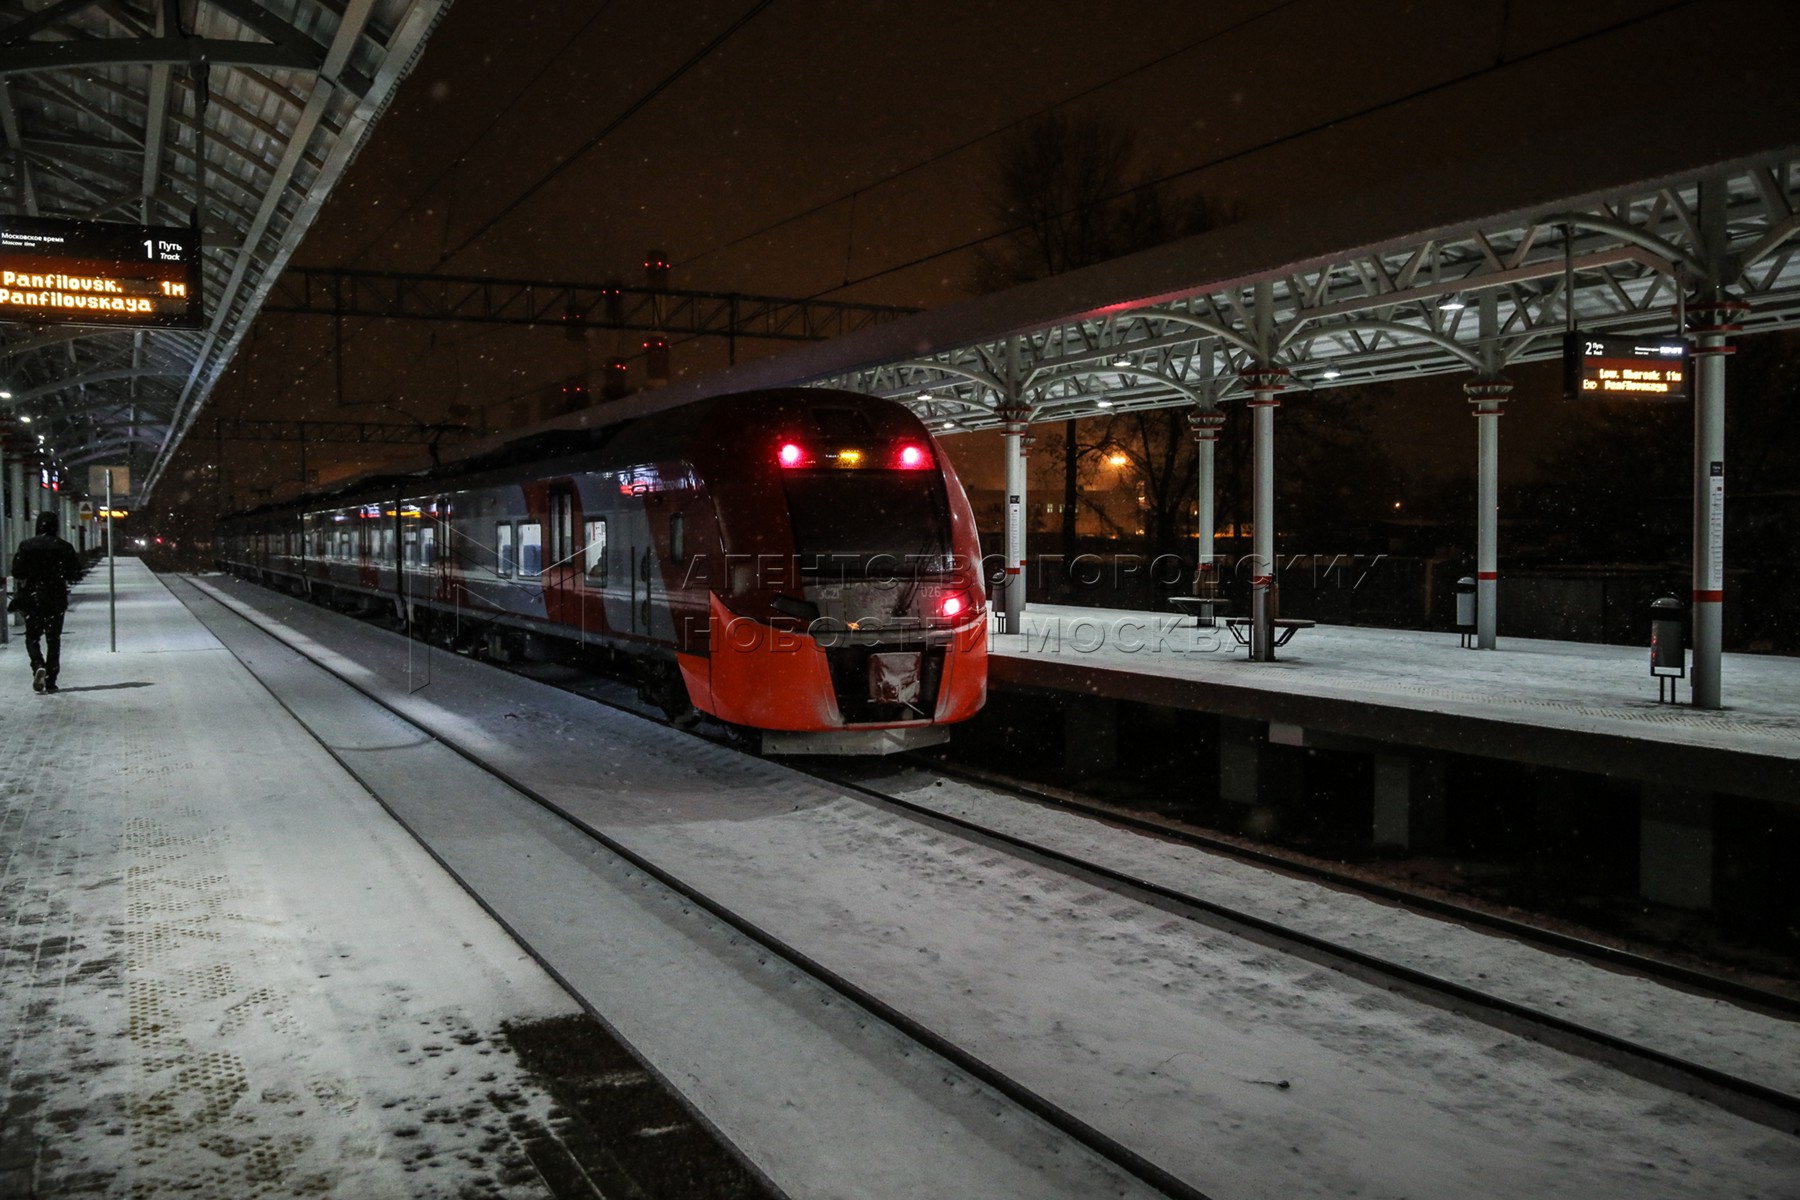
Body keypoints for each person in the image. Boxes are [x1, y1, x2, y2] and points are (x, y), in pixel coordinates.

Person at [10, 511, 82, 694]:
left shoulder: (27, 546)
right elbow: (74, 573)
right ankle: (51, 679)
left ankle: (38, 664)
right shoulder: (64, 547)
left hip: (33, 596)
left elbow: (18, 572)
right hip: (55, 597)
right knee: (53, 638)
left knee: (32, 636)